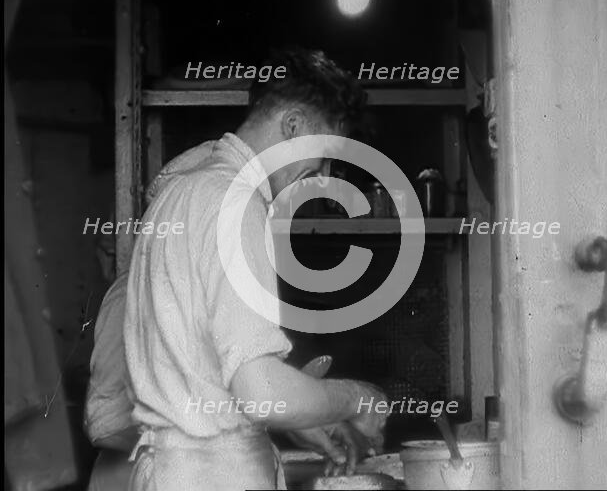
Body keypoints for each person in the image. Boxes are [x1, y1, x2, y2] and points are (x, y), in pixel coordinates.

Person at [88, 48, 388, 491]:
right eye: (322, 157)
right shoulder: (237, 204)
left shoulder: (179, 197)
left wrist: (309, 418)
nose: (321, 176)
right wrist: (359, 399)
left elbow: (202, 376)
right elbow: (263, 393)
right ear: (293, 127)